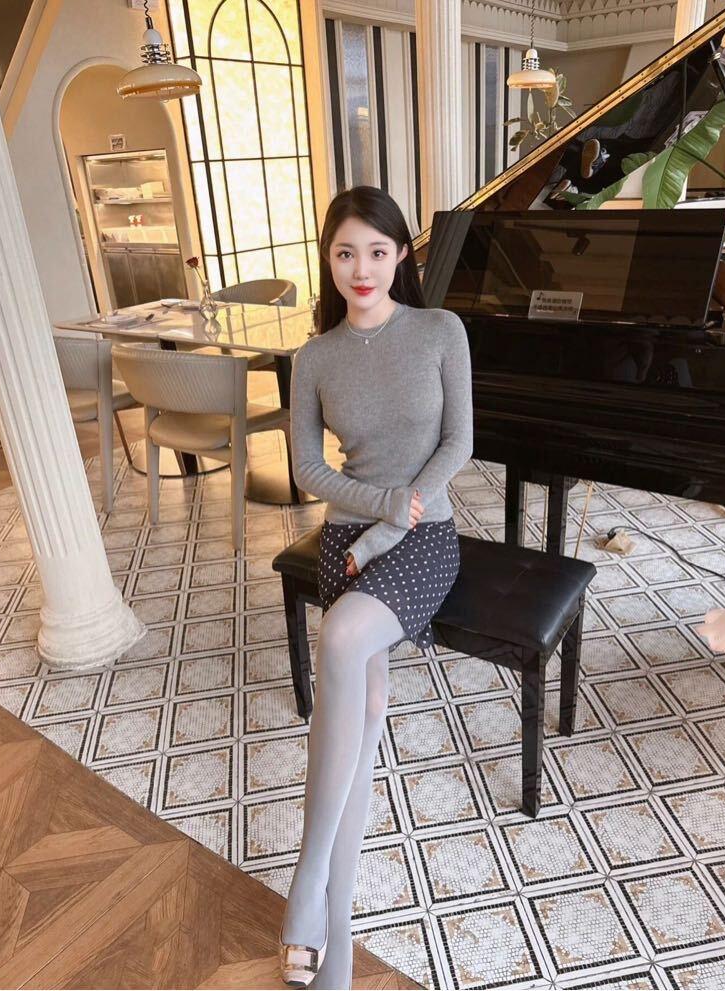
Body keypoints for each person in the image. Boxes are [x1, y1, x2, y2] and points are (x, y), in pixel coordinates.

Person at [279, 185, 473, 990]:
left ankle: (307, 881)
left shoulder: (440, 330)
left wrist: (394, 521)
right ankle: (340, 925)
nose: (361, 268)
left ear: (401, 255)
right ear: (329, 261)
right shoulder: (315, 357)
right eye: (345, 252)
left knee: (342, 636)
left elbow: (459, 442)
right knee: (362, 715)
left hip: (423, 537)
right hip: (349, 539)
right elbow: (307, 468)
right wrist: (373, 508)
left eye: (377, 251)